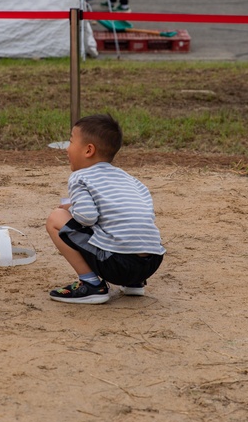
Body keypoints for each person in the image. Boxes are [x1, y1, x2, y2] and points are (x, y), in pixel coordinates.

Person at [45, 114, 165, 304]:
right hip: (151, 261)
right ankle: (134, 284)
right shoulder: (129, 179)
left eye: (70, 142)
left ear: (88, 150)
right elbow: (144, 213)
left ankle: (91, 285)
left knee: (56, 218)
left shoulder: (80, 177)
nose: (67, 149)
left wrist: (71, 207)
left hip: (117, 264)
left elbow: (86, 217)